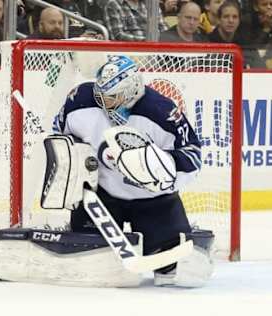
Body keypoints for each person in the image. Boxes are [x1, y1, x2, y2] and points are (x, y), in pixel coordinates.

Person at [53, 55, 213, 287]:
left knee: (174, 271)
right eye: (101, 96)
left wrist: (161, 170)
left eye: (113, 97)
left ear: (132, 91)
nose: (104, 103)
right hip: (99, 197)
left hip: (154, 201)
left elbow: (192, 157)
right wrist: (78, 159)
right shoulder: (81, 100)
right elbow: (58, 135)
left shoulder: (161, 112)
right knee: (91, 266)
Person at [103, 0, 168, 41]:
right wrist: (146, 41)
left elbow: (163, 28)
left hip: (158, 49)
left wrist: (166, 38)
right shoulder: (113, 4)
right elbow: (117, 35)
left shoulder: (151, 3)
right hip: (131, 51)